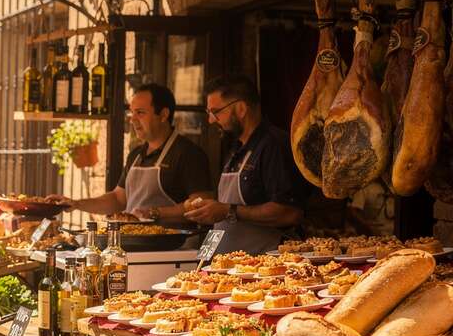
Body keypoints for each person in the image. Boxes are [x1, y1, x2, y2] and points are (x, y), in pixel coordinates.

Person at [48, 83, 212, 224]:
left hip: (174, 251)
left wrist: (155, 213)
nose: (132, 119)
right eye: (131, 112)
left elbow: (201, 204)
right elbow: (118, 199)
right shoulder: (136, 155)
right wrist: (76, 204)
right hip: (135, 247)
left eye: (140, 113)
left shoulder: (188, 154)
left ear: (163, 115)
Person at [184, 74, 310, 254]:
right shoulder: (236, 148)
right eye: (209, 113)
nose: (211, 120)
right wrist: (207, 210)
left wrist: (229, 211)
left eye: (216, 112)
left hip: (261, 270)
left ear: (241, 109)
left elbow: (289, 212)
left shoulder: (273, 145)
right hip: (223, 267)